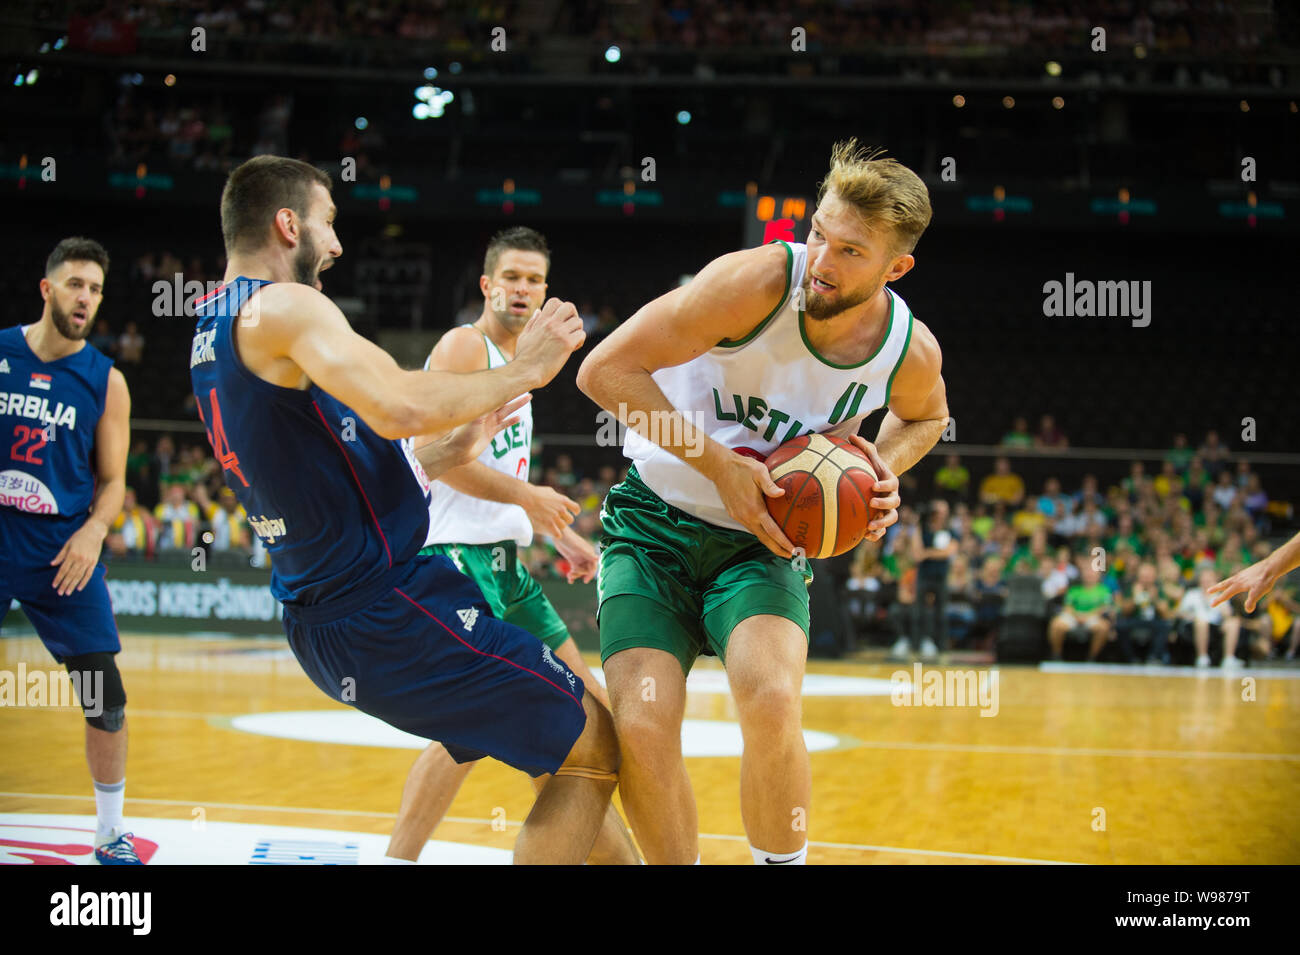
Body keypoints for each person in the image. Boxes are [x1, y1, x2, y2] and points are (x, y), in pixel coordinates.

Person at [188, 156, 619, 864]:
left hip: (323, 612)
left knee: (560, 745)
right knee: (592, 739)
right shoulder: (287, 305)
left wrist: (440, 456)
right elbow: (394, 405)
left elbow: (327, 462)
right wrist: (524, 370)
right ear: (287, 223)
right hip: (383, 608)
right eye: (328, 222)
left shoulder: (211, 328)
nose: (335, 244)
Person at [577, 140, 945, 864]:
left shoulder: (907, 348)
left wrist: (883, 464)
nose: (822, 260)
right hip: (653, 525)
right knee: (644, 727)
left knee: (772, 699)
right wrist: (718, 464)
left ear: (895, 267)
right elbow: (604, 370)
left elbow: (927, 416)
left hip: (766, 542)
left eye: (850, 250)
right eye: (818, 234)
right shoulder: (750, 284)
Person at [385, 227, 637, 865]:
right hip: (455, 562)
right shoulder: (464, 346)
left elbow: (506, 483)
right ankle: (397, 859)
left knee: (593, 718)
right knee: (467, 730)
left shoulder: (525, 363)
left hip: (507, 566)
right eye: (513, 277)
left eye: (535, 280)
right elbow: (431, 460)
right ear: (487, 285)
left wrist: (565, 536)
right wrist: (531, 502)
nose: (523, 289)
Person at [0, 238, 137, 863]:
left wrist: (93, 530)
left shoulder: (105, 381)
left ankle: (110, 831)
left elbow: (112, 483)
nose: (86, 298)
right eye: (77, 284)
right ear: (47, 287)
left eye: (96, 289)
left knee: (103, 694)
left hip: (62, 549)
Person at [1047, 562, 1114, 661]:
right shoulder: (1074, 590)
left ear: (1098, 575)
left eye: (1092, 572)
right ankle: (1057, 655)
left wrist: (1087, 616)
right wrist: (1077, 616)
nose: (1089, 574)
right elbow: (1067, 607)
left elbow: (1104, 608)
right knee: (1055, 625)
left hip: (1093, 617)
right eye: (1087, 572)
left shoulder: (1104, 590)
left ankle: (1092, 658)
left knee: (1104, 628)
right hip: (1073, 616)